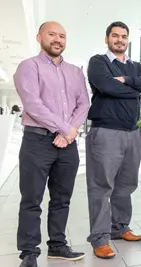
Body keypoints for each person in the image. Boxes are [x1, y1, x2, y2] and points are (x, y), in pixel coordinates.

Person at [13, 21, 89, 267]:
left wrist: (69, 133)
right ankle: (29, 253)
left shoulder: (76, 71)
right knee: (31, 199)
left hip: (67, 144)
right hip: (37, 141)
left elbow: (83, 104)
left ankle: (57, 245)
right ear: (39, 37)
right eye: (52, 34)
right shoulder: (28, 67)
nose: (58, 39)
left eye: (62, 36)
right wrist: (65, 129)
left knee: (62, 198)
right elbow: (34, 105)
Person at [85, 21, 141, 259]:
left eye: (124, 36)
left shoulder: (135, 65)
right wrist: (136, 87)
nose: (120, 40)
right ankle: (100, 239)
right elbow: (106, 86)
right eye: (115, 36)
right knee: (101, 186)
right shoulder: (98, 62)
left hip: (132, 133)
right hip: (106, 132)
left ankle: (120, 228)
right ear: (107, 39)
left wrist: (126, 81)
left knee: (126, 185)